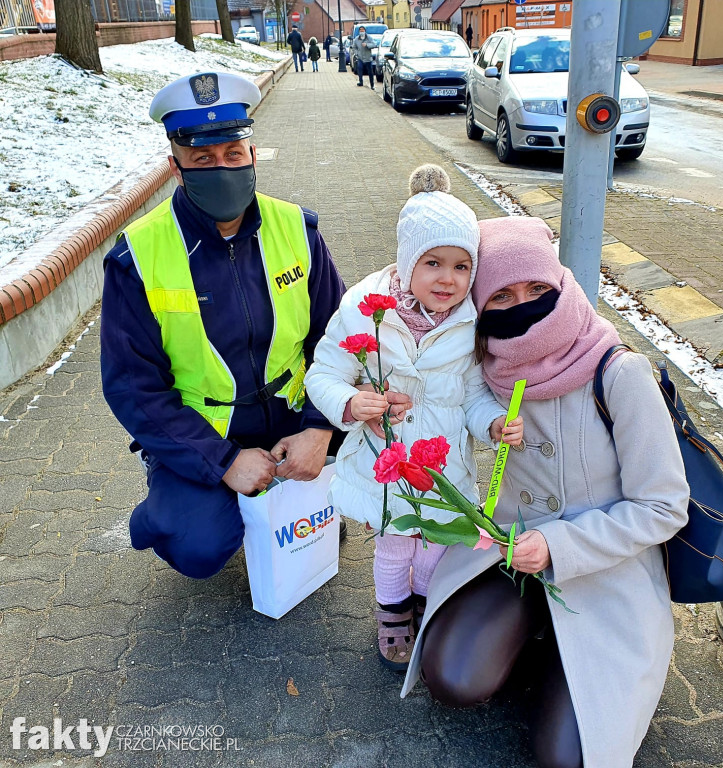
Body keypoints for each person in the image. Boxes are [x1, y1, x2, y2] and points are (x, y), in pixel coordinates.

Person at [401, 216, 690, 768]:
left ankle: (572, 646)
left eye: (538, 289)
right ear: (483, 307)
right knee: (454, 679)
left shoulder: (619, 371)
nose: (524, 306)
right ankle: (534, 629)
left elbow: (663, 506)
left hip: (609, 567)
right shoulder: (489, 367)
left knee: (570, 758)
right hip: (509, 551)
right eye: (503, 295)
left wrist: (559, 545)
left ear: (561, 283)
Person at [100, 72, 346, 579]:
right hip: (204, 432)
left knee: (374, 460)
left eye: (233, 154)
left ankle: (290, 496)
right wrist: (223, 461)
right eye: (203, 160)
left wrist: (320, 430)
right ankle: (175, 493)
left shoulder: (298, 230)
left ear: (253, 156)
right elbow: (132, 387)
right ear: (176, 167)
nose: (223, 168)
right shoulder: (138, 257)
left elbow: (340, 341)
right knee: (198, 544)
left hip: (295, 415)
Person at [305, 166, 522, 671]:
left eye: (462, 266)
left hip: (444, 467)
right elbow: (323, 373)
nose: (448, 279)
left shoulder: (470, 321)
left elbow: (472, 392)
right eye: (433, 263)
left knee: (437, 546)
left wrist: (491, 423)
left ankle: (425, 603)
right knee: (396, 543)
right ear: (406, 263)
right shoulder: (363, 309)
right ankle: (392, 612)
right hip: (388, 463)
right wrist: (351, 403)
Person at [352, 25, 376, 89]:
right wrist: (357, 53)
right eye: (360, 30)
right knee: (359, 68)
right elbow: (354, 47)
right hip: (360, 57)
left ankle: (372, 84)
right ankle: (361, 81)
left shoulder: (369, 38)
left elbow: (374, 44)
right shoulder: (356, 39)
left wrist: (367, 45)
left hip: (368, 58)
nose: (361, 31)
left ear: (365, 31)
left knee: (370, 72)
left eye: (363, 30)